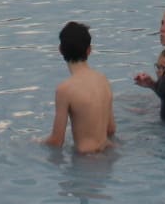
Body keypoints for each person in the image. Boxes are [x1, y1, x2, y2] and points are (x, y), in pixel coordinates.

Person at [41, 21, 115, 152]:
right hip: (109, 154)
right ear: (89, 50)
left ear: (60, 50)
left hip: (86, 162)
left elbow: (57, 141)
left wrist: (35, 142)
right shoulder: (103, 80)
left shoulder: (65, 89)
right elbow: (110, 129)